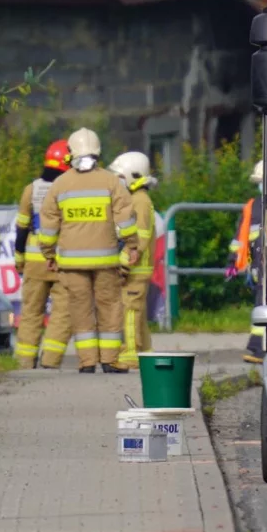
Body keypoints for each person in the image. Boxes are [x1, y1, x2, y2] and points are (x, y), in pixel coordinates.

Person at [38, 128, 139, 373]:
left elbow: (49, 224)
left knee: (80, 310)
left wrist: (49, 254)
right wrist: (132, 245)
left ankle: (87, 362)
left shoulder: (60, 184)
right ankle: (110, 360)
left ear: (71, 152)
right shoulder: (110, 181)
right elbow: (125, 218)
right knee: (109, 307)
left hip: (72, 264)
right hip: (105, 261)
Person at [12, 140, 73, 369]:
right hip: (62, 261)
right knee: (63, 313)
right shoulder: (70, 189)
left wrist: (19, 258)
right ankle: (51, 360)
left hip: (34, 262)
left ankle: (25, 361)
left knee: (30, 312)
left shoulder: (32, 189)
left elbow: (21, 228)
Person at [109, 151, 158, 369]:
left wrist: (124, 265)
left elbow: (140, 239)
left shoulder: (140, 201)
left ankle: (130, 355)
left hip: (136, 269)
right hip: (138, 268)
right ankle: (145, 352)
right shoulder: (138, 200)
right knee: (138, 313)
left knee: (129, 311)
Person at [229, 160, 265, 364]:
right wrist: (233, 262)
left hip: (264, 265)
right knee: (262, 305)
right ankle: (257, 348)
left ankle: (257, 347)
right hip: (258, 265)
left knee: (264, 305)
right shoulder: (253, 206)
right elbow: (240, 237)